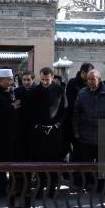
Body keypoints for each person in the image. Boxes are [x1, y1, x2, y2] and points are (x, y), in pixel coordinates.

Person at [26, 67, 68, 197]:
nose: (44, 82)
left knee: (54, 163)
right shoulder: (34, 91)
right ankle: (39, 188)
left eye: (47, 79)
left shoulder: (60, 91)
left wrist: (56, 125)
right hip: (38, 133)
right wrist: (37, 125)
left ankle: (52, 189)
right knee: (40, 163)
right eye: (42, 79)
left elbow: (65, 111)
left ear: (52, 78)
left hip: (54, 133)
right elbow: (29, 111)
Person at [0, 69, 21, 197]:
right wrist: (11, 107)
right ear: (2, 80)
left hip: (12, 134)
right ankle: (1, 190)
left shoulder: (11, 91)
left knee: (13, 162)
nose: (12, 81)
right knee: (1, 164)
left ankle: (13, 188)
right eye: (10, 79)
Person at [72, 69, 105, 163]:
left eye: (93, 79)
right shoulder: (82, 93)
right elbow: (76, 114)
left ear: (99, 79)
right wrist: (76, 132)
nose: (90, 82)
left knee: (101, 165)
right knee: (86, 165)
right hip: (85, 136)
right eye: (88, 79)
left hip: (102, 136)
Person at [65, 63, 94, 156]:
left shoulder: (89, 84)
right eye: (89, 73)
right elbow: (71, 103)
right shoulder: (72, 83)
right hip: (74, 119)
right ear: (83, 73)